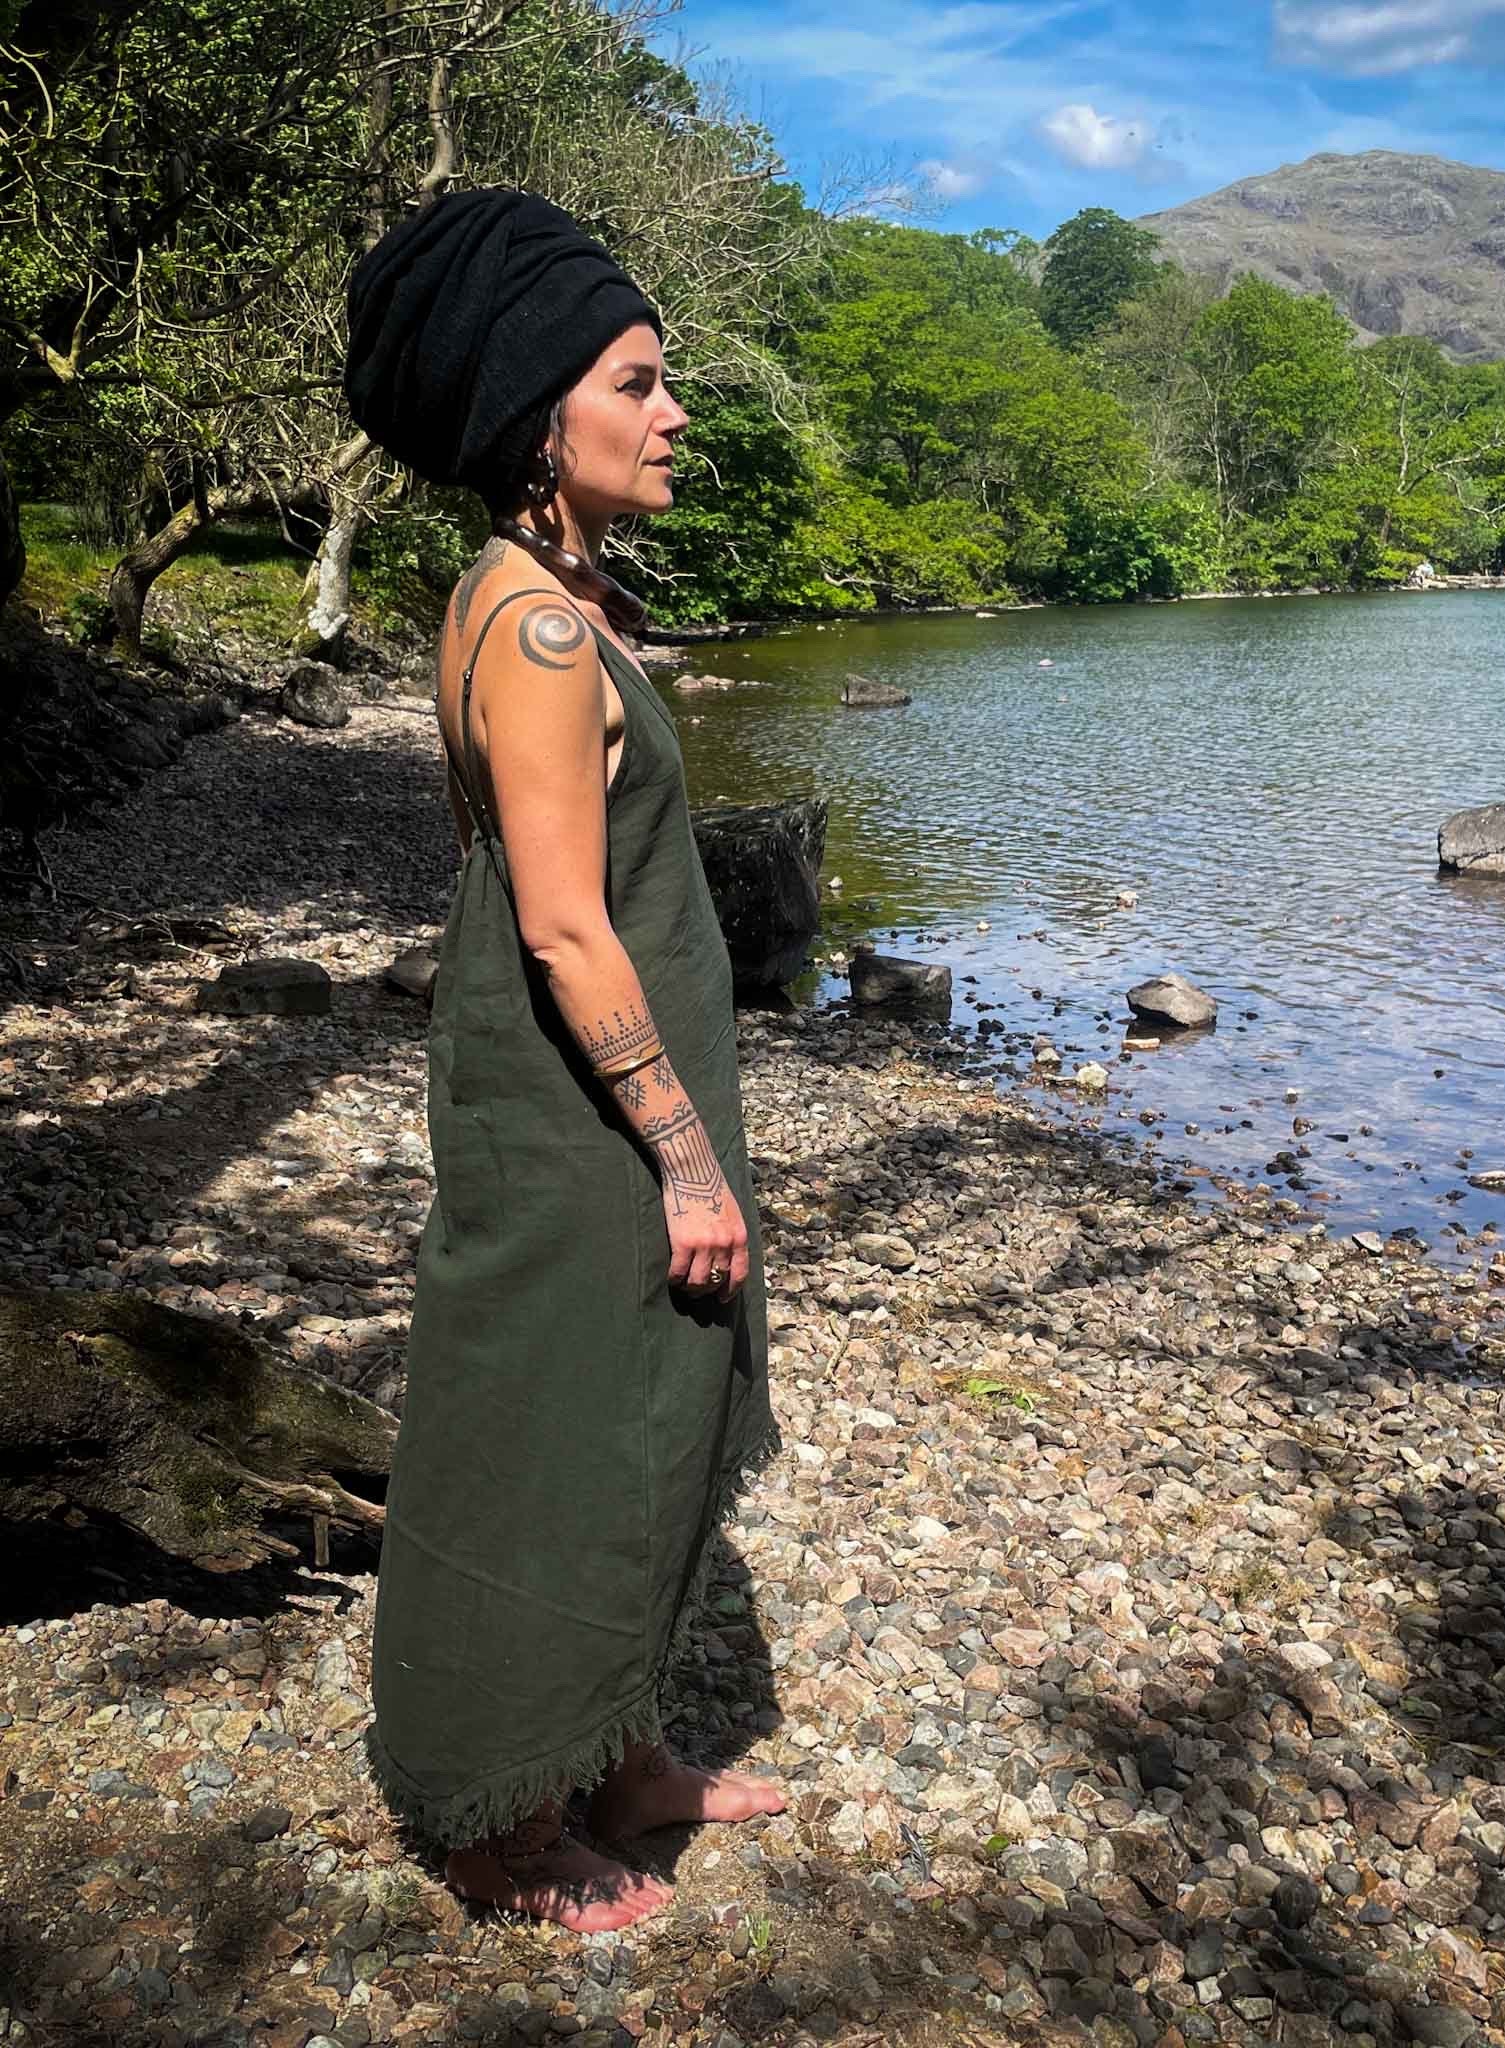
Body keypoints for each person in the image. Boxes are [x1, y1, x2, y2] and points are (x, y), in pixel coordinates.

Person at [343, 188, 783, 1931]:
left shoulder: (552, 593)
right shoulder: (530, 629)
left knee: (643, 1409)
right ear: (544, 416)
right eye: (638, 378)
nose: (673, 410)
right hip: (571, 1103)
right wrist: (683, 1151)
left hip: (586, 1091)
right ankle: (494, 1818)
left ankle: (615, 1755)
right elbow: (561, 927)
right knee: (544, 1433)